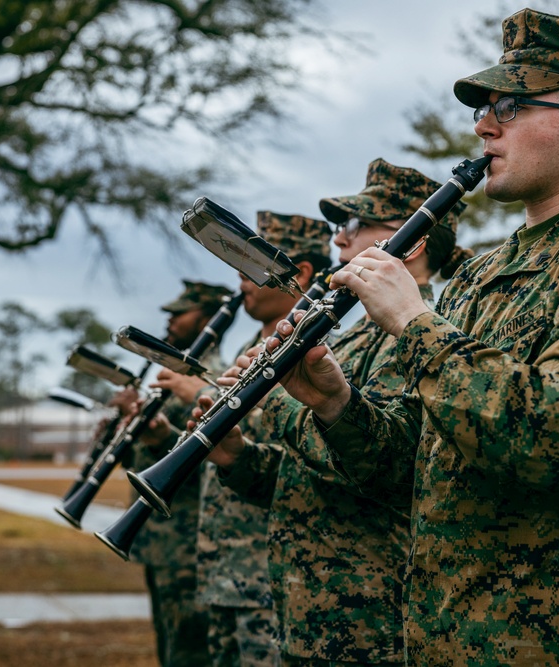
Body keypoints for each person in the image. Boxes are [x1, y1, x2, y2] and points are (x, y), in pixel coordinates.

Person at [248, 9, 559, 665]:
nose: (483, 124)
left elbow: (552, 441)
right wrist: (336, 403)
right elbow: (420, 468)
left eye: (511, 105)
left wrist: (416, 324)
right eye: (485, 107)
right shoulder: (487, 270)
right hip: (452, 645)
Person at [207, 159, 469, 666]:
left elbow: (380, 468)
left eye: (353, 227)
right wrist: (236, 456)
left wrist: (277, 401)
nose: (338, 241)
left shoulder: (423, 332)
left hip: (373, 626)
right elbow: (305, 480)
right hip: (312, 617)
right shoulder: (352, 333)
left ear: (410, 243)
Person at [164, 211, 331, 667]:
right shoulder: (245, 351)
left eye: (251, 270)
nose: (241, 283)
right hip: (222, 569)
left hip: (265, 573)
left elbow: (305, 455)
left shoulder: (320, 349)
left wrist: (200, 393)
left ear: (300, 274)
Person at [123, 280, 233, 667]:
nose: (169, 320)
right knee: (169, 644)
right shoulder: (175, 377)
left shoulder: (211, 377)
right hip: (162, 539)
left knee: (189, 652)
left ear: (205, 318)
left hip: (187, 539)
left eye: (179, 313)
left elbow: (212, 461)